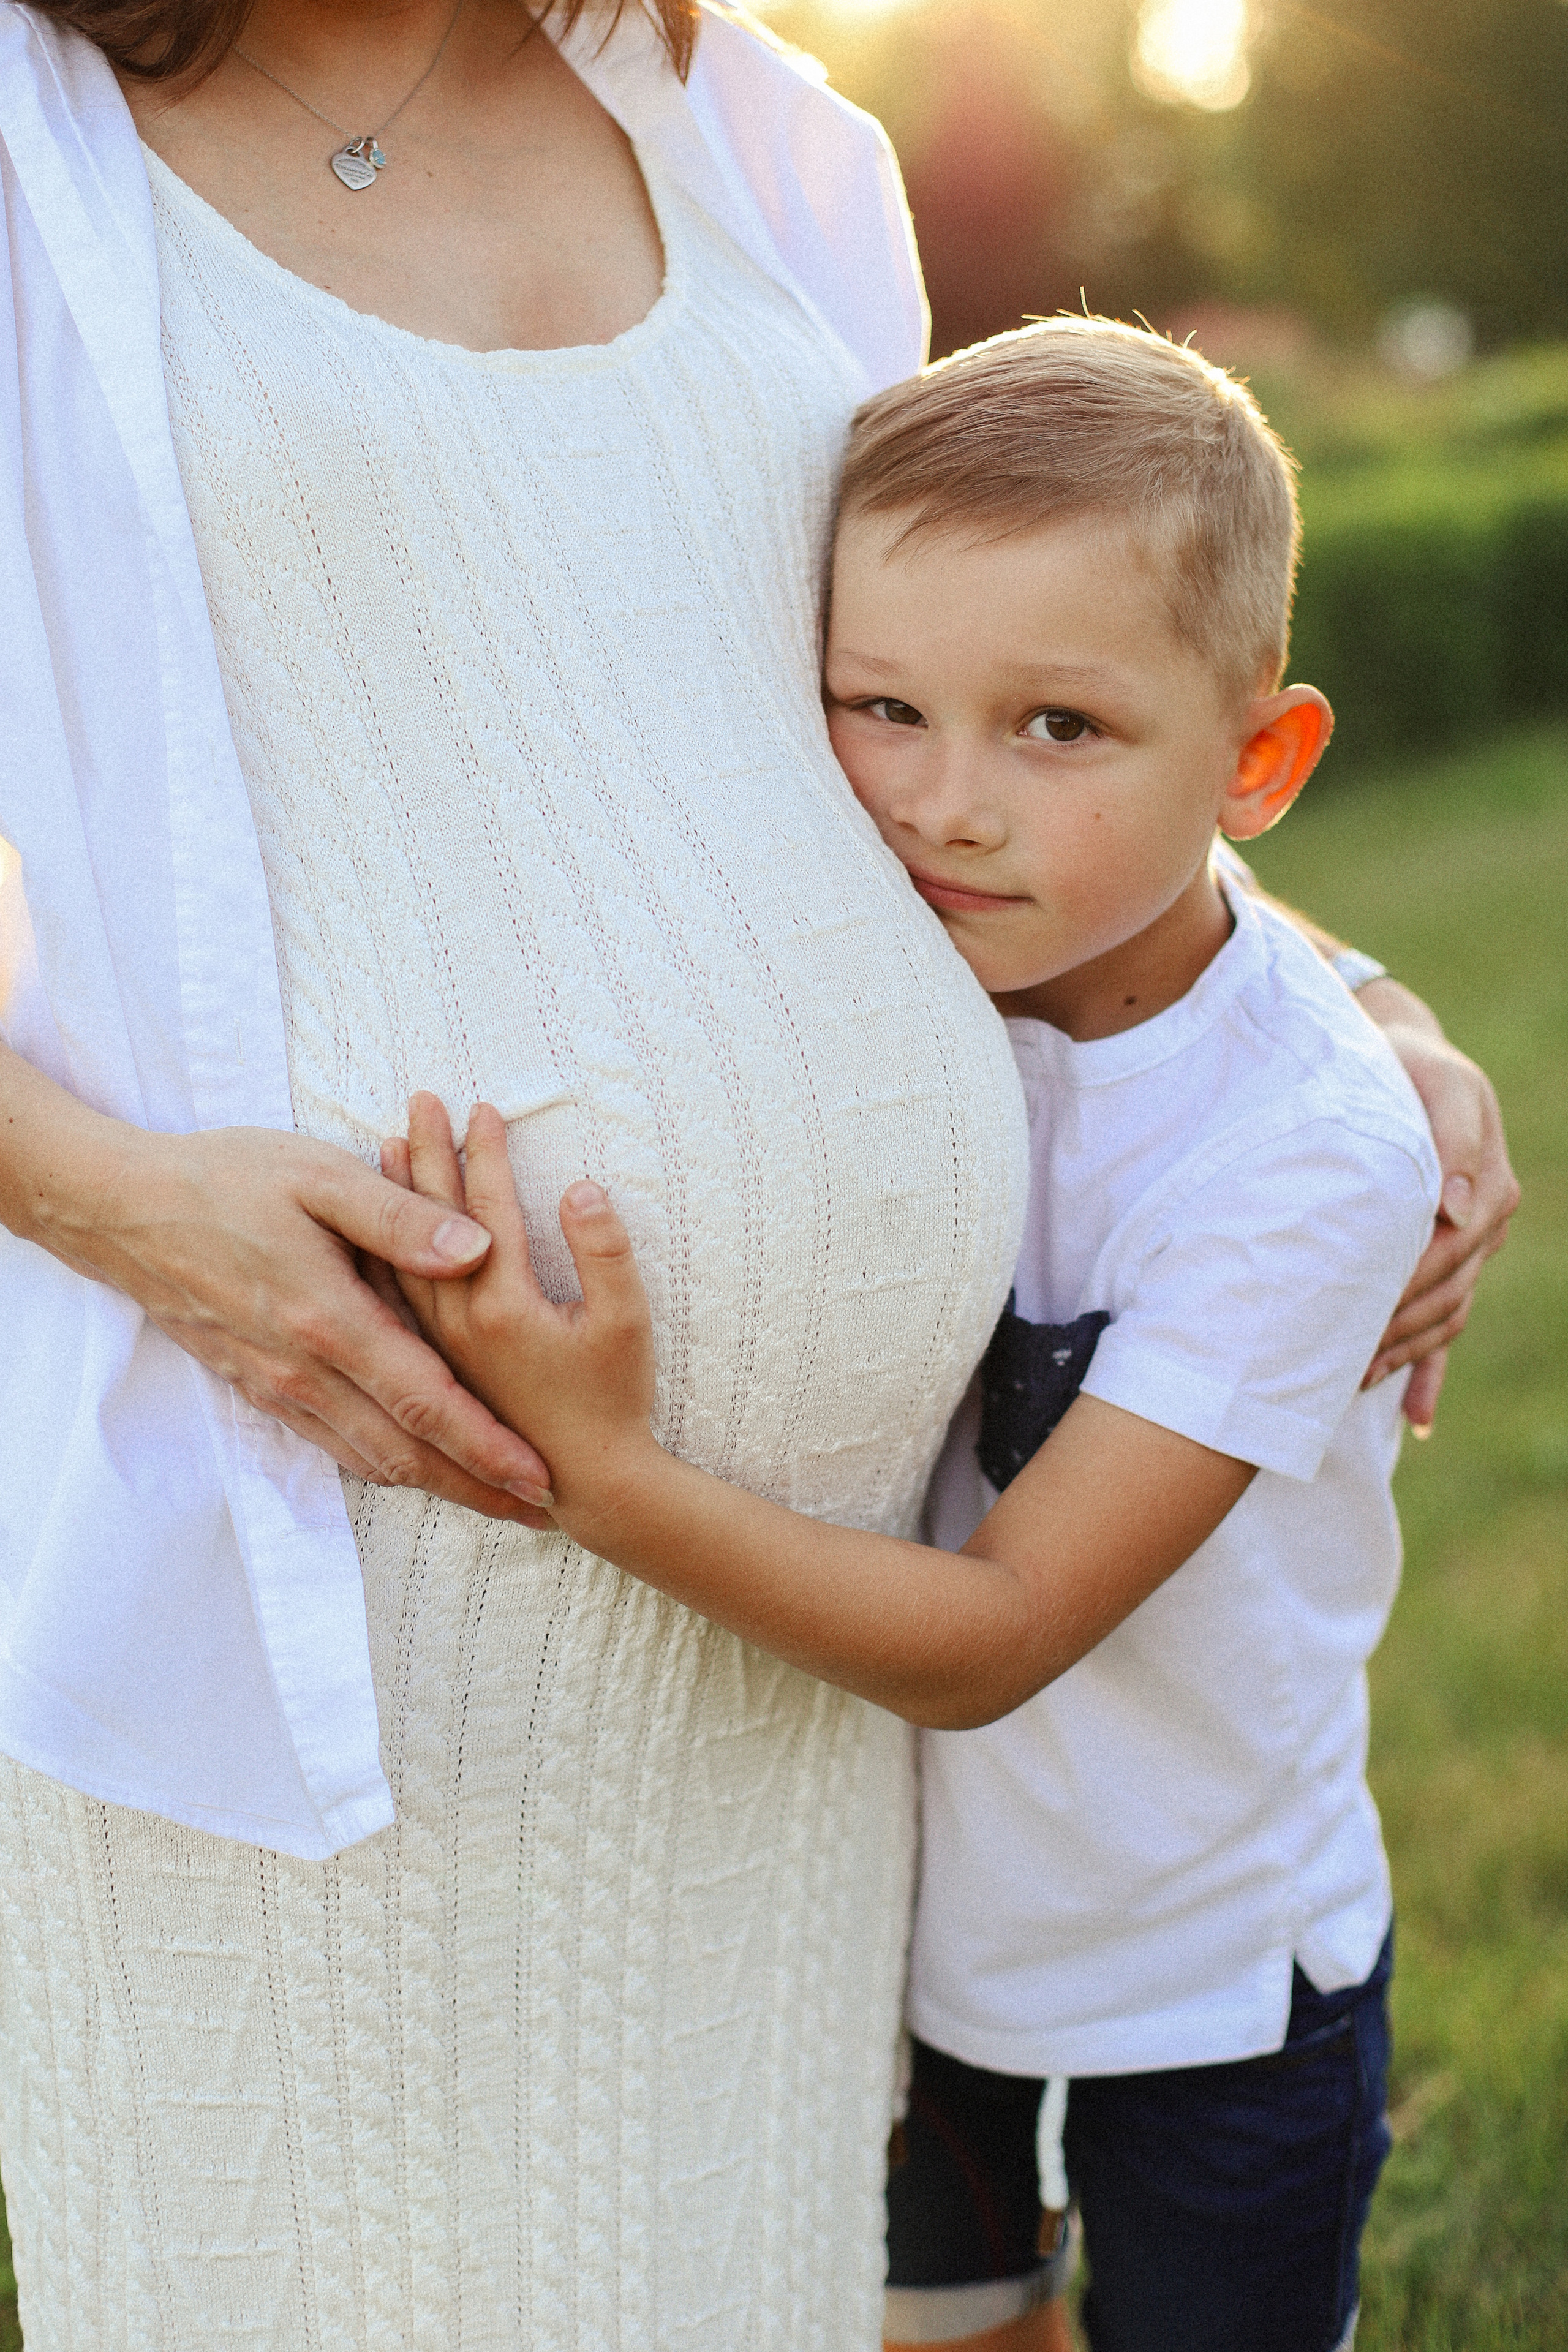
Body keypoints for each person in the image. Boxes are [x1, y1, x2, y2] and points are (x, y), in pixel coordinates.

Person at [0, 0, 1513, 2339]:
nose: (938, 776)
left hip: (812, 1761)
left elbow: (1037, 704)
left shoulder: (747, 131)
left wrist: (1358, 1007)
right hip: (327, 1619)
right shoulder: (35, 147)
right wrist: (113, 1200)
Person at [375, 318, 1489, 2352]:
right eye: (880, 707)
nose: (942, 806)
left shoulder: (1307, 1156)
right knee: (944, 2324)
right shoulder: (892, 958)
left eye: (1059, 726)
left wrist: (602, 1478)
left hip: (1205, 1976)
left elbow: (997, 1638)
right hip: (906, 1940)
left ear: (1256, 764)